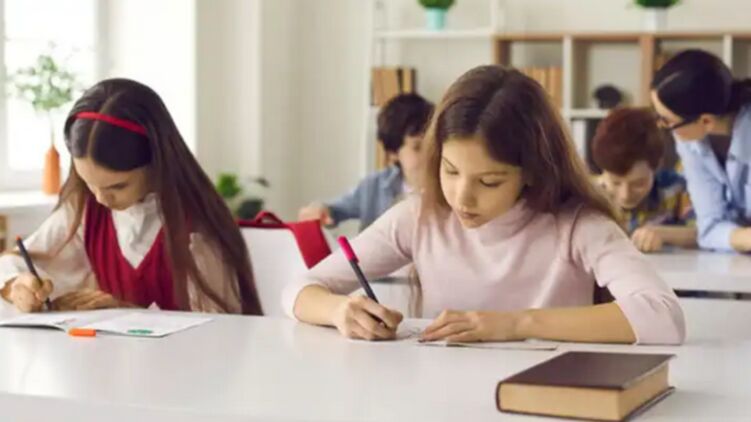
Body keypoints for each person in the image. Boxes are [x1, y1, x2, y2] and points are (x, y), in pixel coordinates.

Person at [284, 66, 685, 345]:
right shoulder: (419, 216)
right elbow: (298, 290)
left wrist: (516, 324)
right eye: (450, 170)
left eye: (489, 181)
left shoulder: (578, 226)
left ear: (532, 172)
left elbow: (663, 316)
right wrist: (340, 311)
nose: (462, 197)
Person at [0, 78, 262, 315]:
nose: (102, 199)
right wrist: (19, 285)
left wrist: (124, 311)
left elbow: (217, 332)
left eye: (118, 187)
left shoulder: (197, 231)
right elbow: (16, 261)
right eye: (89, 183)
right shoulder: (86, 211)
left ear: (156, 163)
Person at [651, 49, 751, 252]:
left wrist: (735, 236)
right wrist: (741, 237)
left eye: (667, 120)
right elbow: (709, 229)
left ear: (706, 121)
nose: (661, 125)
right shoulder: (690, 140)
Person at [298, 93, 434, 231]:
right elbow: (335, 209)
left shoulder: (445, 186)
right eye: (417, 147)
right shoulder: (374, 186)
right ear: (393, 153)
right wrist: (320, 210)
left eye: (433, 144)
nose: (429, 153)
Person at [591, 107, 695, 252]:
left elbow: (705, 233)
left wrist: (662, 233)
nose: (625, 195)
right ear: (603, 171)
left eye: (638, 183)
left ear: (656, 167)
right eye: (615, 182)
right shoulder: (585, 195)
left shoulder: (675, 188)